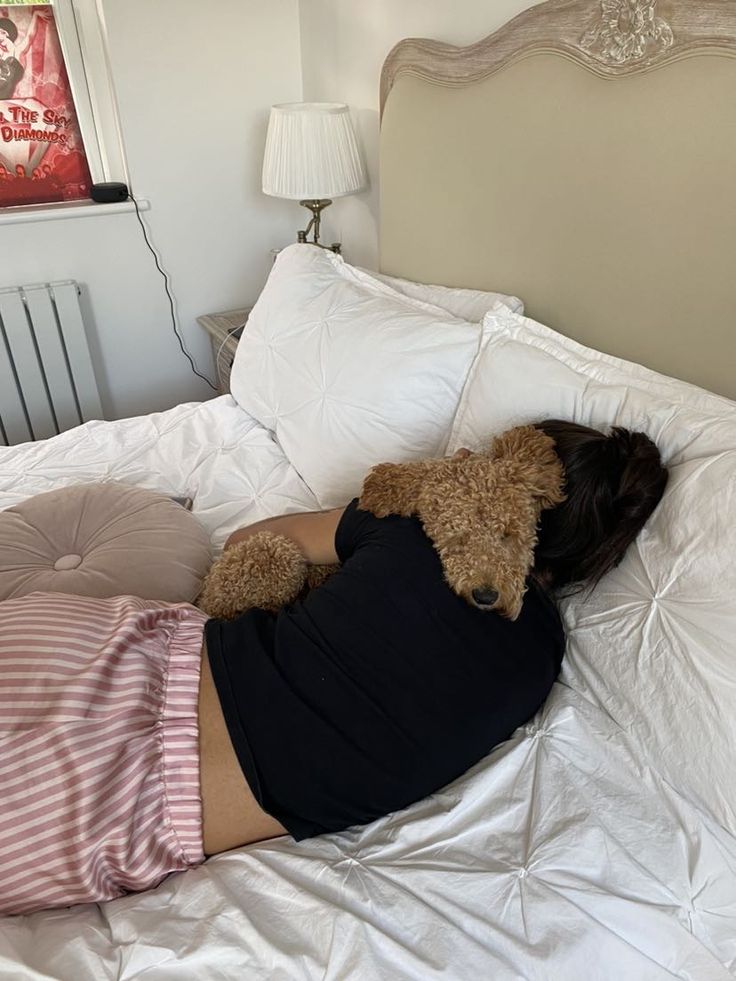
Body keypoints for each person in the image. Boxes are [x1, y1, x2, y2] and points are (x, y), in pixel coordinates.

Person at [0, 420, 668, 916]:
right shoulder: (538, 663)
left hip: (129, 655)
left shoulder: (415, 526)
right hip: (144, 804)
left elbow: (251, 541)